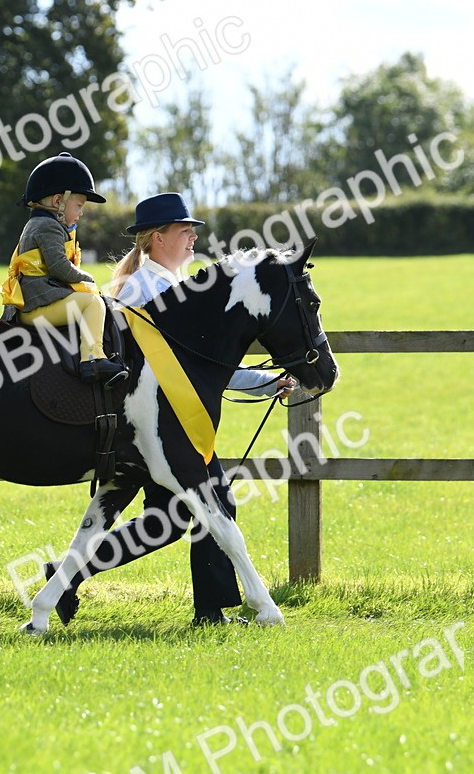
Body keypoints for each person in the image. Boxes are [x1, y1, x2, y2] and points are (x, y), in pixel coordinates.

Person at [48, 192, 296, 626]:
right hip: (160, 428)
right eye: (185, 231)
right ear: (157, 238)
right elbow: (187, 368)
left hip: (168, 423)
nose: (193, 239)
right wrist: (263, 381)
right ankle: (209, 613)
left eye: (193, 231)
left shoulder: (170, 285)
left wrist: (265, 381)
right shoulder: (152, 290)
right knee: (208, 506)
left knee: (175, 517)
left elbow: (200, 368)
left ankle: (67, 576)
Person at [0, 152, 128, 387]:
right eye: (78, 205)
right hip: (38, 307)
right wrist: (88, 279)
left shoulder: (38, 224)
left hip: (34, 305)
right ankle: (92, 358)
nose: (81, 212)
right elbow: (59, 268)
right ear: (58, 201)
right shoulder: (48, 226)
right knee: (93, 303)